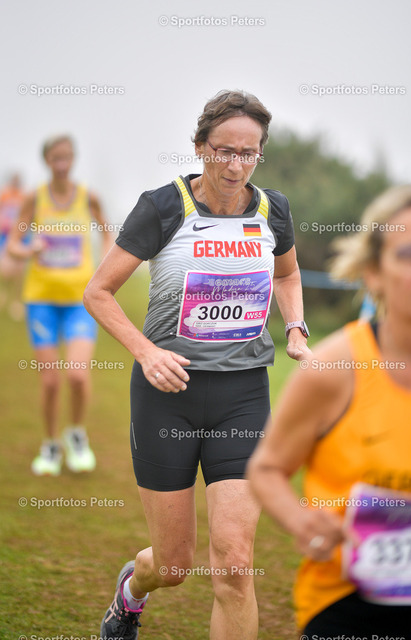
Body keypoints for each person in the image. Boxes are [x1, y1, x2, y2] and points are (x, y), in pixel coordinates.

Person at [83, 89, 311, 639]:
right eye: (223, 151)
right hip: (168, 395)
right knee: (174, 565)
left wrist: (296, 329)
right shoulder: (163, 206)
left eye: (248, 153)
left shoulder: (273, 209)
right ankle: (131, 591)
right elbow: (98, 292)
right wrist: (147, 351)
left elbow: (286, 275)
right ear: (200, 147)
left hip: (243, 395)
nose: (235, 165)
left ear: (260, 153)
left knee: (234, 565)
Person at [248, 184, 411, 639]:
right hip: (345, 604)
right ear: (374, 273)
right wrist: (302, 522)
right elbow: (267, 469)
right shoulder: (333, 368)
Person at [8, 135, 112, 476]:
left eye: (67, 157)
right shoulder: (34, 198)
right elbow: (13, 244)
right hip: (41, 301)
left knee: (78, 376)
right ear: (47, 161)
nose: (62, 163)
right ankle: (51, 444)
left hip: (79, 301)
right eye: (56, 158)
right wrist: (30, 249)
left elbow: (108, 234)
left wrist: (105, 265)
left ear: (73, 158)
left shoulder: (88, 197)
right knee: (51, 381)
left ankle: (76, 435)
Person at [0, 173, 26, 320]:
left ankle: (15, 302)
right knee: (4, 270)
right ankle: (3, 295)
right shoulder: (4, 195)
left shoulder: (23, 197)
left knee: (19, 271)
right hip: (4, 236)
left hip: (20, 237)